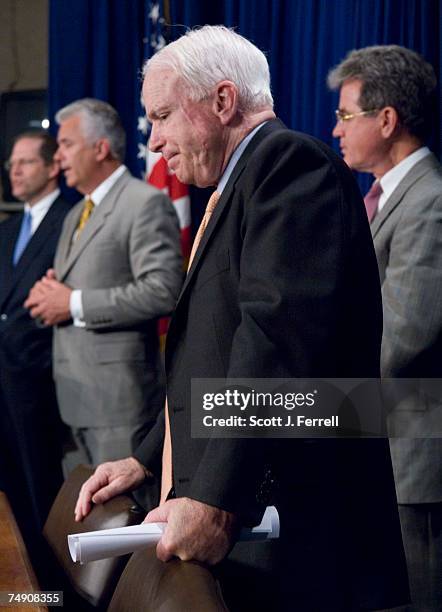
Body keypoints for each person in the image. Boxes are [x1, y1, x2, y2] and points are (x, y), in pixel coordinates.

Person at [74, 27, 409, 610]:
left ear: (222, 101)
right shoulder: (238, 181)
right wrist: (146, 456)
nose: (153, 141)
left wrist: (214, 497)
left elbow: (272, 341)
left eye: (162, 116)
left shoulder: (288, 164)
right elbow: (213, 350)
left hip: (293, 523)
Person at [328, 45, 442, 611]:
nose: (336, 129)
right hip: (377, 436)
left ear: (387, 119)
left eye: (346, 116)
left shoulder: (430, 203)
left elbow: (404, 338)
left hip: (414, 457)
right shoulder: (381, 198)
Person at [25, 99, 182, 472]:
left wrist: (74, 303)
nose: (58, 156)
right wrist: (47, 298)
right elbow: (71, 288)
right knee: (81, 521)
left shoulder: (143, 203)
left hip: (119, 405)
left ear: (101, 148)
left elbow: (164, 289)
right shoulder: (75, 213)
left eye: (66, 144)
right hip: (71, 397)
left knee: (124, 522)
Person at [0, 130, 70, 563]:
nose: (15, 170)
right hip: (2, 378)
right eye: (11, 163)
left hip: (40, 380)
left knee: (39, 488)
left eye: (25, 162)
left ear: (52, 166)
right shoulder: (7, 229)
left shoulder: (71, 218)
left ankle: (46, 591)